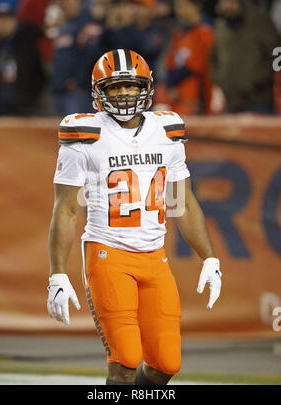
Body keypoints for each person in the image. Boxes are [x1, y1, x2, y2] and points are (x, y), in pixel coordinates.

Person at [47, 49, 222, 385]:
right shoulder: (85, 134)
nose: (124, 93)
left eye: (130, 85)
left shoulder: (167, 128)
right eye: (115, 87)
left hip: (155, 258)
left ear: (147, 87)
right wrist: (56, 275)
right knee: (125, 360)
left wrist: (209, 258)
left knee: (166, 364)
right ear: (100, 91)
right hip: (108, 254)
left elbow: (182, 201)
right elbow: (66, 209)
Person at [210, 0, 280, 114]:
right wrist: (220, 79)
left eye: (230, 2)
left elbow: (277, 50)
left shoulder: (259, 21)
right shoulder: (220, 25)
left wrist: (264, 78)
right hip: (232, 100)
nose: (226, 6)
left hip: (259, 100)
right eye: (223, 3)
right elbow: (214, 57)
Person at [163, 0, 214, 115]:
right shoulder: (178, 33)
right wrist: (171, 85)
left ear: (196, 7)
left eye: (183, 6)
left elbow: (197, 65)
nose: (179, 11)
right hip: (177, 97)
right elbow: (170, 61)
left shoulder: (204, 32)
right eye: (177, 7)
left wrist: (173, 82)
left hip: (197, 95)